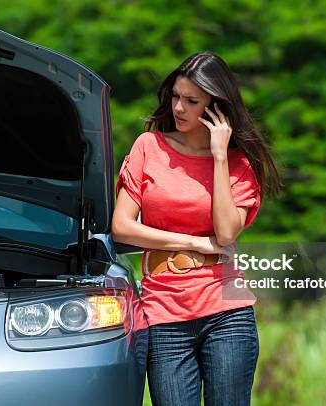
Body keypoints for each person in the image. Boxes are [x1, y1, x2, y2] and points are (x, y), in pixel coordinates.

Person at [111, 51, 283, 406]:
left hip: (226, 313)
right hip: (163, 311)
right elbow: (122, 228)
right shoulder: (149, 146)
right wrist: (192, 242)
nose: (178, 108)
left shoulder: (237, 164)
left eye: (192, 101)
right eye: (176, 96)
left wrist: (219, 156)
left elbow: (225, 235)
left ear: (216, 107)